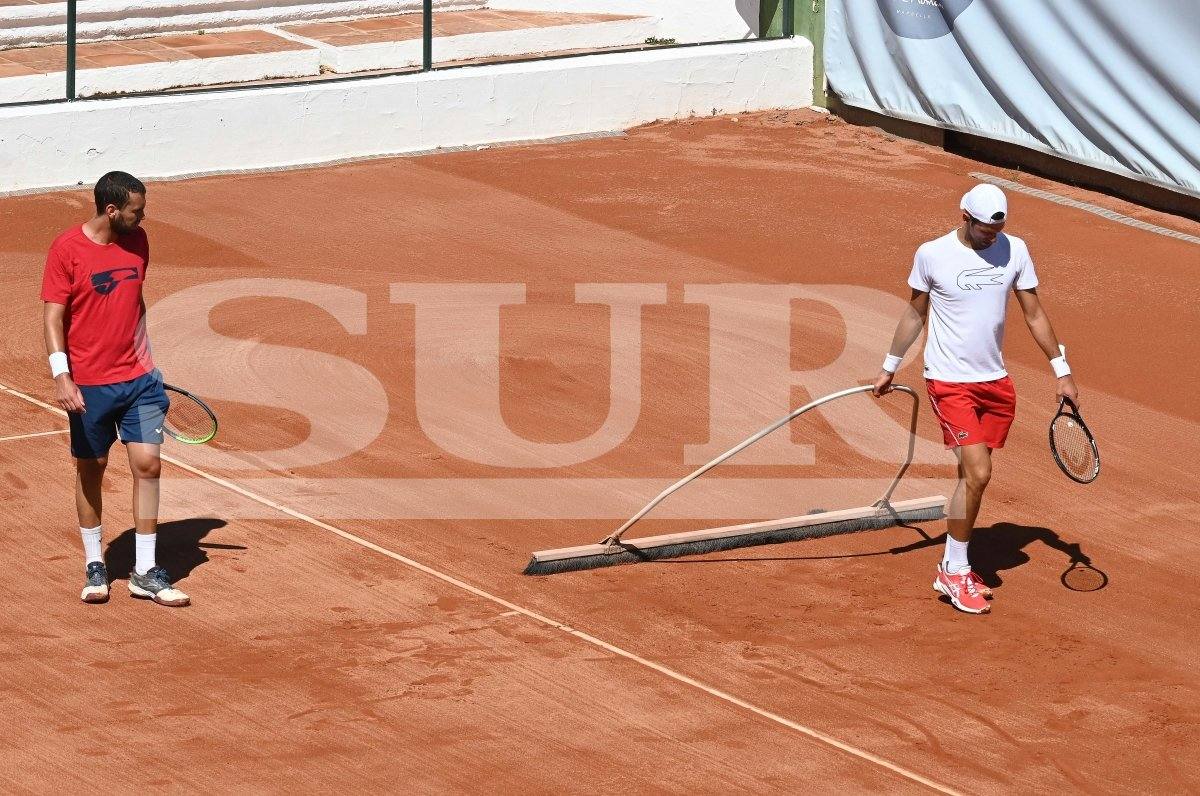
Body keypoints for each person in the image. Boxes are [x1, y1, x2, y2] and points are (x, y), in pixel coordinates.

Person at [872, 183, 1078, 614]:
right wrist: (891, 365)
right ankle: (954, 569)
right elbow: (915, 312)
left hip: (995, 382)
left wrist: (1062, 372)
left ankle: (956, 557)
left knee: (971, 476)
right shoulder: (932, 254)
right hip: (948, 380)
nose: (992, 237)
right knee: (978, 473)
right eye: (985, 230)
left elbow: (1034, 314)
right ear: (965, 217)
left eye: (997, 229)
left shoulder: (1015, 249)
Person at [42, 171, 189, 607]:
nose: (141, 218)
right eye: (135, 210)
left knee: (149, 466)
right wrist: (61, 375)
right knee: (93, 467)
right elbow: (54, 317)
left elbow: (133, 300)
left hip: (139, 381)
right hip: (89, 382)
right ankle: (96, 563)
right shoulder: (67, 249)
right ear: (111, 210)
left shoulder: (138, 242)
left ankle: (145, 571)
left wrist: (145, 356)